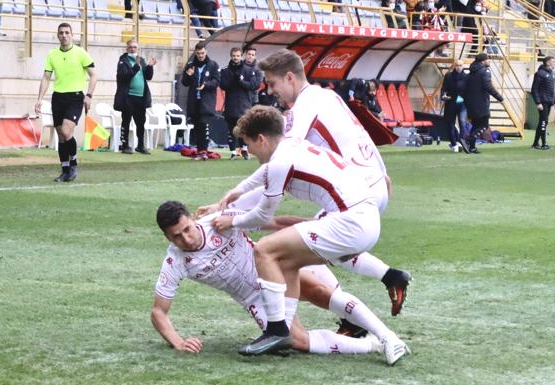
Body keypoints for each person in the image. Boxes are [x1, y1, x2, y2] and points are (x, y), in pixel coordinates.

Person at [210, 106, 410, 359]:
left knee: (264, 250)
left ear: (261, 139)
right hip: (362, 218)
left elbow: (263, 215)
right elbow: (264, 174)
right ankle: (386, 337)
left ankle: (277, 330)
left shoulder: (281, 161)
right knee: (288, 261)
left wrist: (231, 221)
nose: (248, 150)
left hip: (350, 222)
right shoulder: (291, 145)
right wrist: (233, 195)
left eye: (248, 143)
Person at [253, 49, 410, 317]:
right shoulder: (328, 95)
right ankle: (390, 278)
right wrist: (382, 175)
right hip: (374, 182)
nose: (270, 90)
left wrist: (245, 194)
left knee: (294, 251)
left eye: (272, 83)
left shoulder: (305, 104)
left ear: (289, 77)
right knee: (332, 249)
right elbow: (358, 137)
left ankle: (345, 317)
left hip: (358, 189)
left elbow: (288, 152)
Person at [152, 201, 407, 364]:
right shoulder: (175, 261)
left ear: (192, 220)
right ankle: (371, 345)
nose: (186, 239)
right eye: (177, 236)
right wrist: (177, 341)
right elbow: (158, 311)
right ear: (167, 237)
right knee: (298, 342)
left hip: (272, 269)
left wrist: (320, 226)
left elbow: (273, 223)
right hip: (252, 298)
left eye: (188, 229)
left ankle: (388, 337)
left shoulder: (221, 221)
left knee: (321, 291)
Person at [35, 23, 97, 182]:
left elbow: (94, 75)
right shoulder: (52, 54)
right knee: (61, 136)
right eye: (61, 33)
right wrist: (40, 99)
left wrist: (88, 95)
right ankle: (65, 170)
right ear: (57, 35)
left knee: (67, 131)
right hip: (58, 97)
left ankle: (74, 163)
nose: (64, 35)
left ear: (72, 35)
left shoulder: (80, 53)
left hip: (75, 97)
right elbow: (46, 77)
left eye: (67, 32)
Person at [114, 39, 155, 154]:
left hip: (141, 97)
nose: (133, 49)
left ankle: (140, 146)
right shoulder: (123, 61)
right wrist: (136, 67)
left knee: (141, 122)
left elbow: (148, 77)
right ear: (127, 48)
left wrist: (150, 67)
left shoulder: (141, 60)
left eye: (135, 47)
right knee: (126, 121)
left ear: (138, 48)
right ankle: (125, 145)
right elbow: (123, 77)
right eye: (130, 47)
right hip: (128, 96)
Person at [219, 47, 260, 160]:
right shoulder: (225, 70)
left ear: (241, 56)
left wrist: (241, 82)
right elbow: (223, 85)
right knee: (232, 129)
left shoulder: (248, 70)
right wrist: (233, 81)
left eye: (238, 56)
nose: (236, 58)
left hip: (244, 104)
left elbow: (253, 85)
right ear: (231, 56)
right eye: (234, 56)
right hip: (230, 104)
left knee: (244, 128)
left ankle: (245, 150)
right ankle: (233, 152)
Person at [181, 42, 219, 161]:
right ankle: (200, 151)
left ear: (206, 52)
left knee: (204, 125)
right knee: (197, 127)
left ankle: (203, 152)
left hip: (206, 102)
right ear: (195, 53)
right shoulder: (191, 65)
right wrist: (189, 75)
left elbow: (217, 81)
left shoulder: (213, 65)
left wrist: (206, 85)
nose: (201, 55)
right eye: (198, 53)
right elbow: (184, 82)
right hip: (194, 101)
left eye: (202, 53)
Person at [462, 52, 503, 154]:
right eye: (488, 59)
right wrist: (500, 98)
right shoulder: (485, 71)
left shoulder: (470, 72)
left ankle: (471, 147)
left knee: (476, 126)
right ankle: (468, 140)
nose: (489, 61)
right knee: (484, 125)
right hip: (481, 104)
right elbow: (488, 87)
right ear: (483, 61)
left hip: (470, 104)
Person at [441, 60, 468, 152]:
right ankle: (453, 143)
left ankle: (461, 140)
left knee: (462, 123)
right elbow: (444, 88)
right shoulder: (448, 76)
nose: (458, 67)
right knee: (450, 124)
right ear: (454, 66)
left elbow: (469, 91)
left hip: (462, 103)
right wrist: (443, 96)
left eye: (460, 65)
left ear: (463, 66)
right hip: (450, 102)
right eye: (457, 65)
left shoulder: (466, 77)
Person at [530, 56, 555, 150]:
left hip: (549, 102)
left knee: (543, 122)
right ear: (547, 62)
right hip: (543, 102)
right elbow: (534, 89)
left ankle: (535, 143)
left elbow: (552, 90)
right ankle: (544, 144)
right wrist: (538, 102)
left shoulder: (553, 74)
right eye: (553, 61)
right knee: (543, 122)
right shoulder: (540, 73)